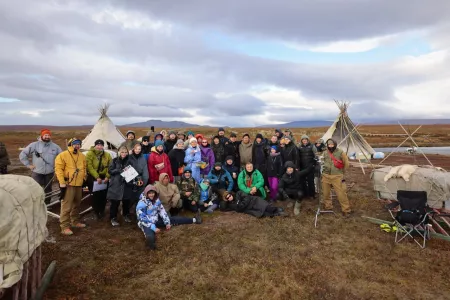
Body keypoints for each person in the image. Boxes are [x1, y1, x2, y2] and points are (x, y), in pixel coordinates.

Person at [137, 185, 202, 250]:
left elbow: (162, 211)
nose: (152, 195)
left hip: (156, 219)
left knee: (172, 219)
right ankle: (150, 244)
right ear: (146, 193)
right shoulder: (141, 203)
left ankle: (194, 220)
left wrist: (167, 222)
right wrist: (153, 228)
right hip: (146, 223)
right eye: (150, 193)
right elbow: (142, 218)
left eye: (153, 193)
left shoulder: (156, 200)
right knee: (149, 233)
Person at [19, 129, 62, 203]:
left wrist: (58, 167)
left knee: (48, 189)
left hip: (49, 172)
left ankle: (47, 204)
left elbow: (62, 157)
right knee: (35, 188)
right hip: (37, 172)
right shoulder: (34, 145)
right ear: (42, 136)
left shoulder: (55, 147)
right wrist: (28, 165)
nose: (47, 137)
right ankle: (36, 204)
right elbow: (23, 154)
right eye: (45, 135)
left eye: (48, 135)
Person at [55, 138, 87, 235]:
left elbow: (84, 168)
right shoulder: (63, 155)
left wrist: (84, 178)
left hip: (79, 184)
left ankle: (75, 222)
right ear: (71, 144)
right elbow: (59, 169)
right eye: (75, 144)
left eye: (79, 144)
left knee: (77, 204)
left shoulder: (82, 156)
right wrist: (61, 182)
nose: (77, 146)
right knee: (66, 206)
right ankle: (64, 227)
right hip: (68, 183)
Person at [322, 139, 352, 217]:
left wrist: (341, 173)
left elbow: (346, 164)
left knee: (341, 193)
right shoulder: (325, 153)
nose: (330, 146)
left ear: (335, 144)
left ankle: (346, 210)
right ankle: (328, 206)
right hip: (326, 175)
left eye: (332, 145)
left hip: (337, 176)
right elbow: (323, 162)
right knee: (326, 193)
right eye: (329, 145)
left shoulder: (341, 152)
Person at [85, 139, 112, 220]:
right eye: (98, 145)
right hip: (93, 177)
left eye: (101, 145)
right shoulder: (90, 154)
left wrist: (108, 176)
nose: (99, 147)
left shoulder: (107, 155)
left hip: (104, 178)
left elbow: (110, 166)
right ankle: (96, 211)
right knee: (95, 196)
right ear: (95, 145)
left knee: (103, 195)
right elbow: (89, 166)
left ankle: (102, 210)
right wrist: (97, 177)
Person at [107, 146, 134, 226]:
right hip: (116, 184)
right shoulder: (115, 161)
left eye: (125, 152)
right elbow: (110, 171)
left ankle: (126, 215)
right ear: (119, 152)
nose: (124, 154)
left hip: (126, 184)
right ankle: (113, 218)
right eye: (122, 152)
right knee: (115, 202)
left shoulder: (130, 161)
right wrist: (118, 170)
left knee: (126, 201)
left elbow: (132, 172)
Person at [128, 144, 149, 208]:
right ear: (133, 149)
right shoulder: (129, 157)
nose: (137, 150)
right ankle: (127, 210)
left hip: (140, 178)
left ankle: (137, 210)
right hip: (131, 179)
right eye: (136, 149)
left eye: (139, 149)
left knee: (139, 196)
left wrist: (144, 181)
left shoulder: (143, 158)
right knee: (130, 196)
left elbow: (145, 170)